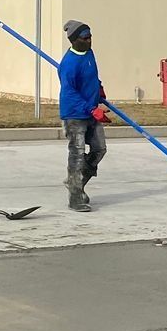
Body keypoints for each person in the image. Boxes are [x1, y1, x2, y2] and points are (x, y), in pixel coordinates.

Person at [57, 19, 111, 212]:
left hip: (90, 109)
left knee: (99, 149)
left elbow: (92, 75)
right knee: (77, 154)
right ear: (73, 40)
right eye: (84, 37)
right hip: (74, 114)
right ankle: (75, 197)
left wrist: (99, 89)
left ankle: (75, 183)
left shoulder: (89, 53)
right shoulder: (69, 64)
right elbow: (70, 93)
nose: (89, 40)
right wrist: (91, 109)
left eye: (90, 37)